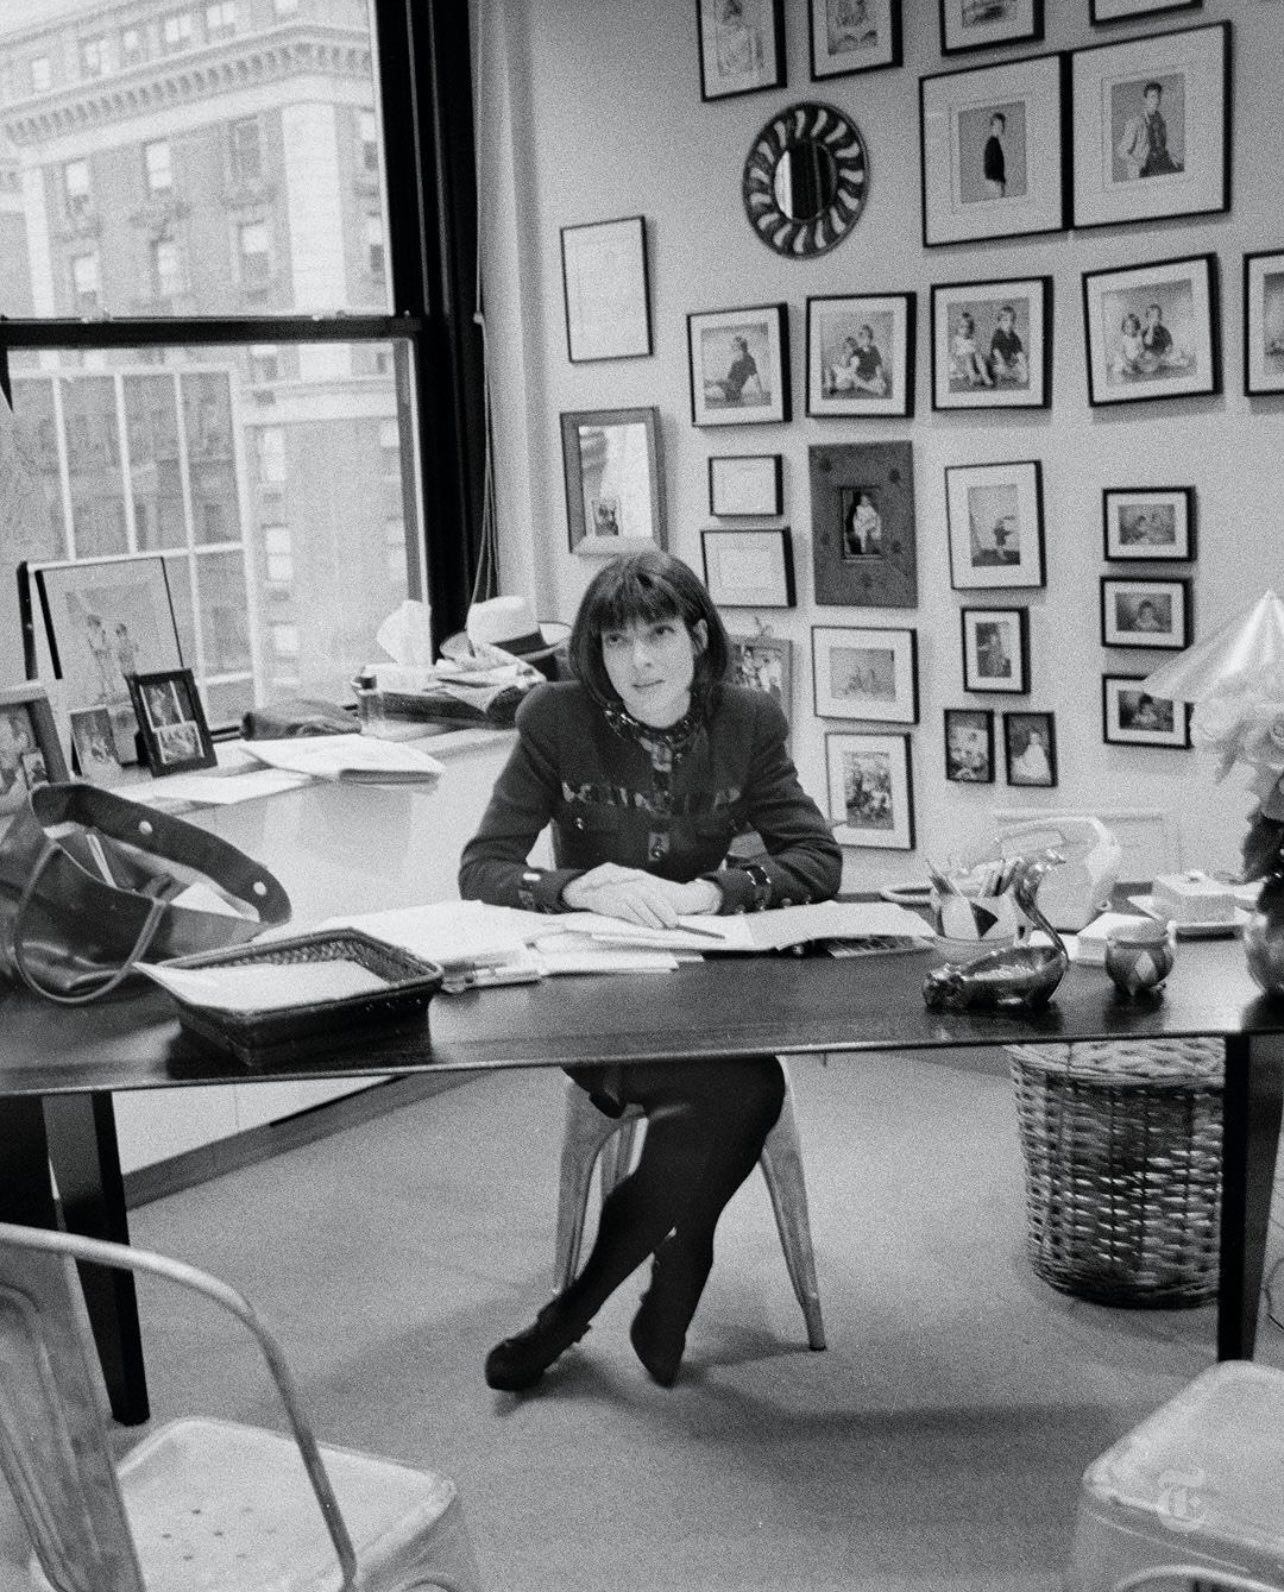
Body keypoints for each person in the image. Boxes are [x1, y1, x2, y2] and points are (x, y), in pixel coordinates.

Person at [459, 550, 842, 1392]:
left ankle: (574, 1311)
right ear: (592, 653)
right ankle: (678, 1267)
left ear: (698, 637)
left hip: (703, 988)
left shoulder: (747, 721)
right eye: (616, 641)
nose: (639, 662)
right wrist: (571, 885)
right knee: (747, 1091)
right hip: (593, 998)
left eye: (660, 634)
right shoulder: (554, 719)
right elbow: (483, 867)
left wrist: (719, 890)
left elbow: (816, 857)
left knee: (735, 1088)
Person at [1117, 81, 1178, 180]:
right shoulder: (1135, 123)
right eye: (1152, 97)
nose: (1156, 101)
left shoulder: (1161, 122)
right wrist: (1138, 161)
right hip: (1144, 171)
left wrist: (1171, 157)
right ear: (1145, 100)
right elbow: (1121, 152)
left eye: (1158, 97)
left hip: (1160, 165)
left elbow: (1161, 147)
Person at [828, 325, 887, 396]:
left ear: (870, 338)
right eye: (860, 336)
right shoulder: (857, 351)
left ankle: (864, 386)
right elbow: (847, 360)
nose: (862, 339)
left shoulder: (874, 350)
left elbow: (878, 366)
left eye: (865, 336)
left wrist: (880, 379)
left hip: (871, 377)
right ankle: (874, 390)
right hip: (859, 376)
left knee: (883, 385)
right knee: (853, 376)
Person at [705, 334, 762, 405]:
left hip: (731, 391)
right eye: (732, 346)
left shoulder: (748, 359)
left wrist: (760, 394)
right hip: (728, 389)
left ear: (740, 347)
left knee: (706, 393)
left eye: (733, 347)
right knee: (706, 384)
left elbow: (755, 376)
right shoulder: (738, 359)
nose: (731, 349)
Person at [988, 305, 1028, 385]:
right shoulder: (998, 335)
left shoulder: (1014, 337)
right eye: (1005, 320)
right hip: (997, 362)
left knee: (1021, 364)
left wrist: (1024, 365)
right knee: (999, 368)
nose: (1009, 323)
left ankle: (1013, 374)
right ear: (999, 323)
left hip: (1008, 362)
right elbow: (996, 351)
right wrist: (1003, 363)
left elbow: (1019, 353)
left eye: (1012, 320)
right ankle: (1009, 376)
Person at [951, 312, 992, 387]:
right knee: (968, 356)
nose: (965, 330)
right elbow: (953, 354)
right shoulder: (956, 339)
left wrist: (978, 355)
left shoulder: (972, 339)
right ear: (957, 327)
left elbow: (976, 351)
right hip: (962, 362)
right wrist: (957, 364)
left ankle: (985, 376)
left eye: (968, 327)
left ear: (971, 329)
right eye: (962, 327)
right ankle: (973, 377)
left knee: (979, 356)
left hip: (973, 361)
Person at [845, 490, 881, 556]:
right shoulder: (858, 508)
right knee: (862, 532)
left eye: (865, 501)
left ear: (868, 502)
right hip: (860, 526)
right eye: (862, 501)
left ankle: (864, 546)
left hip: (869, 524)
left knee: (865, 531)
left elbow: (874, 516)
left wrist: (870, 520)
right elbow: (856, 519)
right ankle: (863, 546)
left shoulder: (870, 508)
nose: (863, 502)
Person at [1113, 312, 1146, 377]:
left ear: (1137, 327)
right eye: (1128, 327)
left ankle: (1134, 368)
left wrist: (1139, 356)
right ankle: (1128, 369)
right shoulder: (1124, 338)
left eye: (1133, 326)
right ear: (1124, 328)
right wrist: (1127, 361)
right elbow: (1122, 352)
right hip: (1126, 357)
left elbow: (1142, 349)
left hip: (1136, 357)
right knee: (1126, 367)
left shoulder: (1139, 337)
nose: (1131, 329)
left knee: (1144, 365)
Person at [983, 111, 1006, 198]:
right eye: (999, 126)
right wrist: (997, 182)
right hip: (995, 183)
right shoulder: (992, 144)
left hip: (995, 182)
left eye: (1002, 125)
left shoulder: (994, 143)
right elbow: (989, 165)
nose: (1002, 128)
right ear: (993, 126)